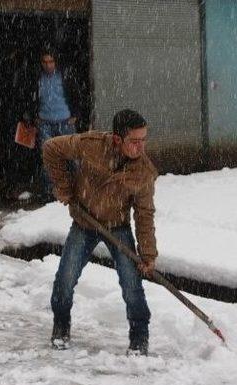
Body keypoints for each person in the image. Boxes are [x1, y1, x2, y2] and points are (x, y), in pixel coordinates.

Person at [42, 109, 158, 356]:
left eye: (144, 140)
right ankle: (61, 327)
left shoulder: (143, 172)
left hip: (118, 227)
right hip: (85, 222)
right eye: (134, 141)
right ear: (117, 139)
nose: (141, 147)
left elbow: (144, 214)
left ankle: (139, 337)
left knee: (131, 286)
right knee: (65, 279)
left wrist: (148, 254)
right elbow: (52, 148)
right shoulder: (92, 145)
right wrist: (65, 188)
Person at [28, 49, 79, 202]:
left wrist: (76, 115)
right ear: (41, 63)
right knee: (47, 158)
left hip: (65, 121)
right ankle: (49, 195)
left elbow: (76, 93)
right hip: (45, 123)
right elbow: (30, 98)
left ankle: (80, 189)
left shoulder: (64, 76)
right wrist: (34, 117)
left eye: (51, 61)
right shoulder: (37, 79)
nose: (48, 65)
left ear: (55, 62)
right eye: (45, 62)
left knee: (73, 156)